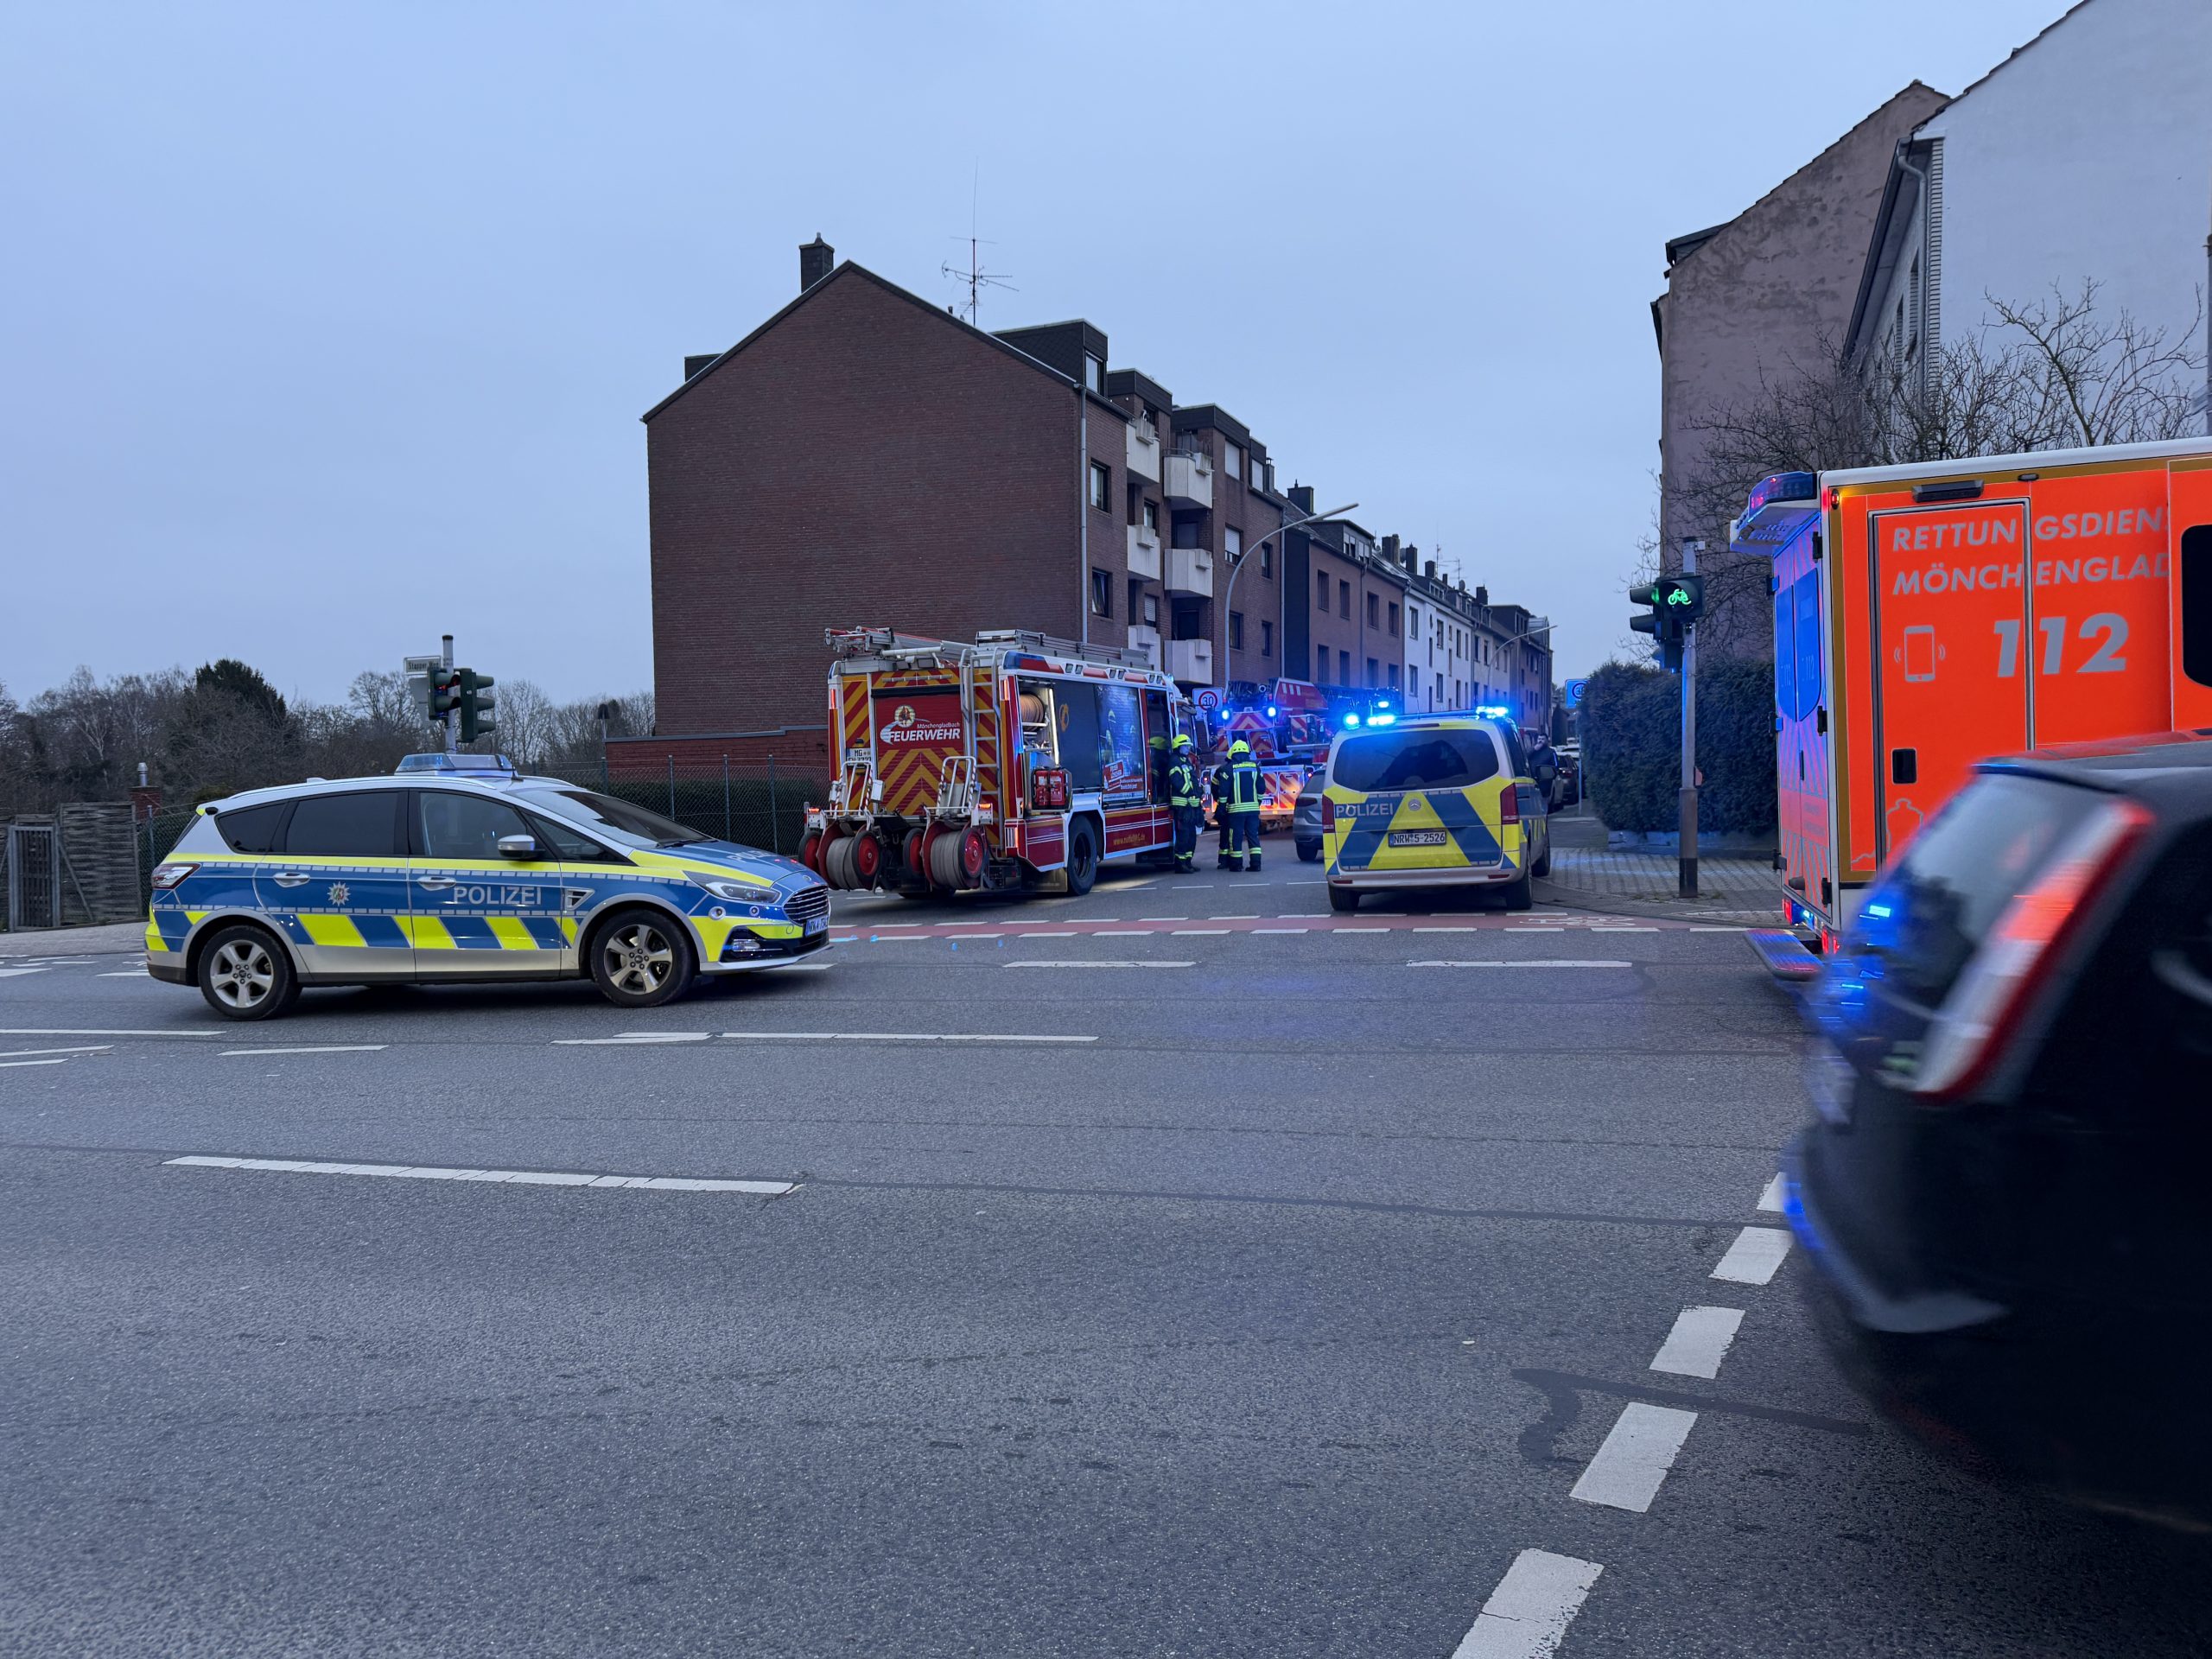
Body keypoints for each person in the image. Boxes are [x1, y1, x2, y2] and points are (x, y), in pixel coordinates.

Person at [1224, 738, 1263, 872]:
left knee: (1235, 837)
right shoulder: (1255, 767)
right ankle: (1256, 864)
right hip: (1253, 810)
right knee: (1253, 836)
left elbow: (1224, 790)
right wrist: (1257, 802)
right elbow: (1261, 787)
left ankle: (1236, 865)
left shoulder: (1229, 768)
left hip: (1236, 811)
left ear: (1233, 753)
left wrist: (1222, 807)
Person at [1167, 734, 1201, 874]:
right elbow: (1176, 781)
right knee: (1183, 835)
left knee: (1191, 836)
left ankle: (1188, 862)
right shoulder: (1174, 761)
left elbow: (1192, 781)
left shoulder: (1186, 761)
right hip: (1181, 806)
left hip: (1191, 805)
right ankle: (1180, 865)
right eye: (1185, 746)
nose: (1188, 749)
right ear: (1178, 747)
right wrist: (1190, 793)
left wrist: (1198, 793)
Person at [1211, 750, 1235, 869]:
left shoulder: (1221, 770)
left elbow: (1214, 788)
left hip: (1223, 808)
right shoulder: (1236, 769)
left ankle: (1223, 861)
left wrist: (1219, 801)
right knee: (1234, 834)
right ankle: (1233, 859)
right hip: (1235, 808)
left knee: (1225, 834)